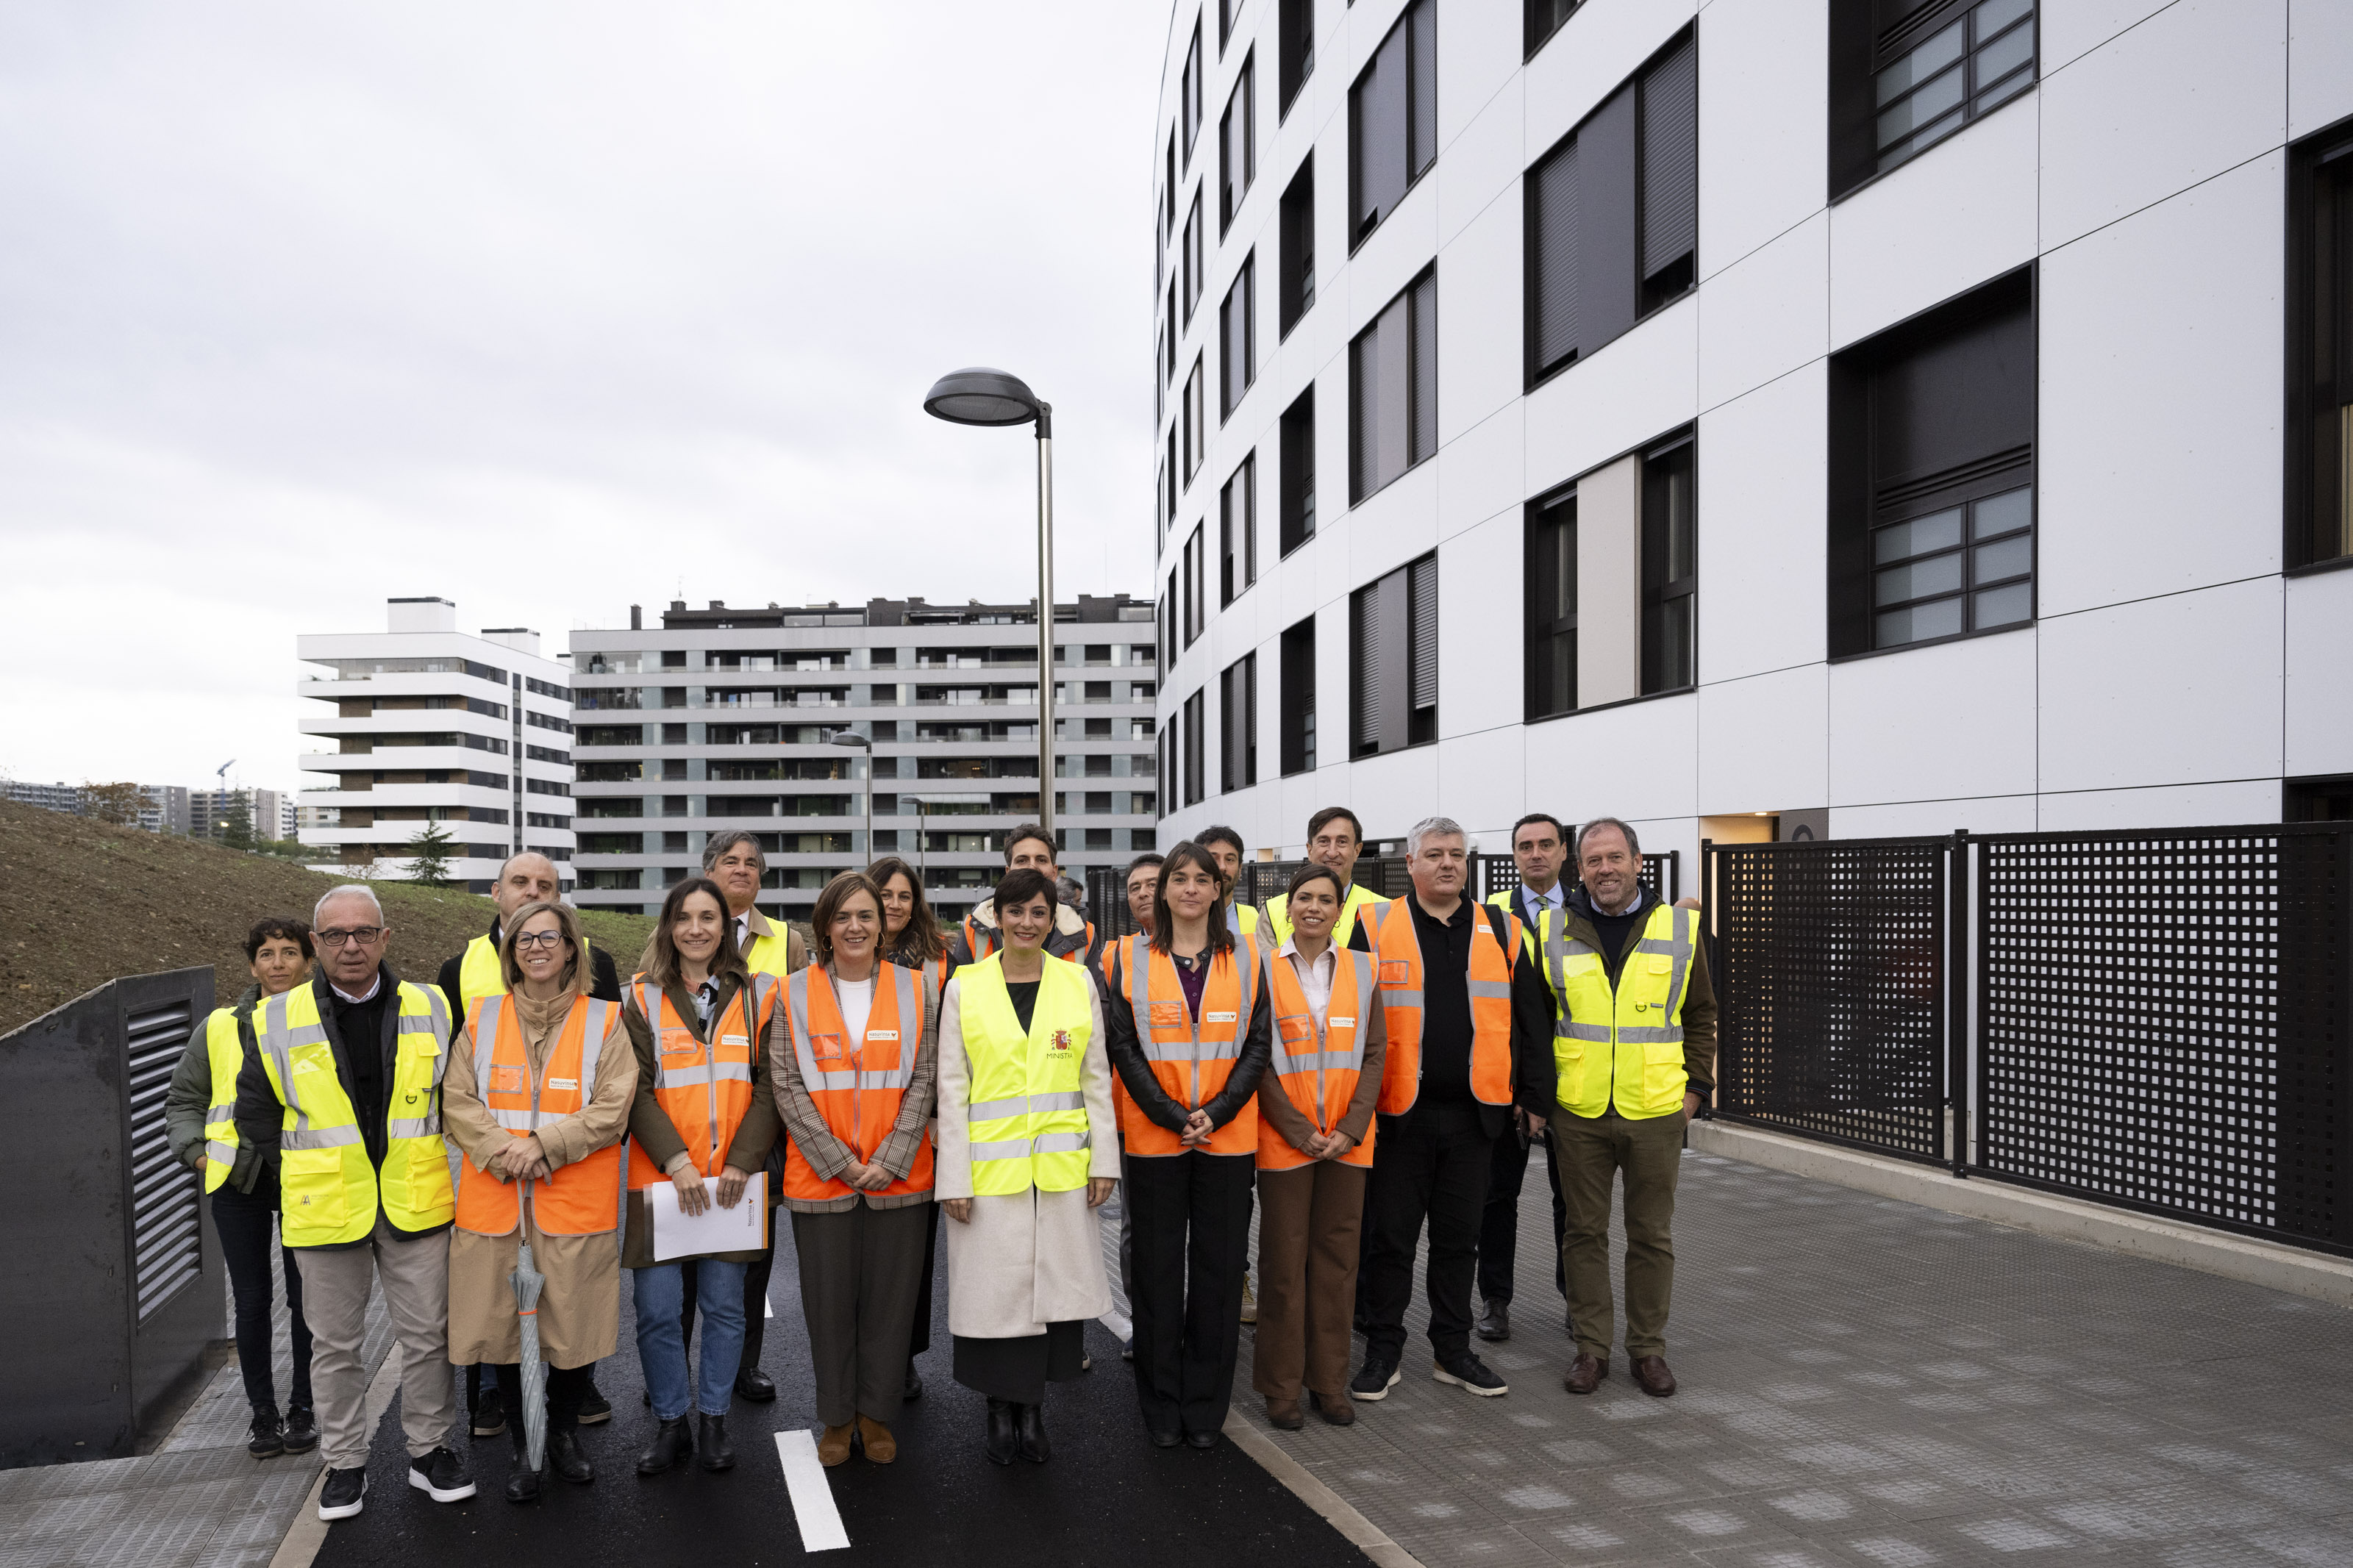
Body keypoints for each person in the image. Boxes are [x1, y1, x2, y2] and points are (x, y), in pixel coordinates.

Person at [238, 885, 474, 1521]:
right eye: (336, 934)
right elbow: (255, 1114)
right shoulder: (274, 1018)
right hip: (326, 1207)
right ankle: (344, 1464)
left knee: (427, 1336)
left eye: (364, 932)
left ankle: (429, 1452)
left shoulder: (431, 1005)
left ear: (385, 938)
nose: (351, 945)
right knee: (334, 1346)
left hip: (414, 1200)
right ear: (316, 945)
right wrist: (309, 1171)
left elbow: (455, 1098)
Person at [1351, 818, 1555, 1405]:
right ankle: (1383, 1349)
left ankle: (1453, 1349)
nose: (1447, 864)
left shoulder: (1503, 928)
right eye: (1434, 854)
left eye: (1457, 855)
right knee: (1389, 1241)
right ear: (1410, 863)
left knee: (1458, 1241)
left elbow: (1530, 1020)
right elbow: (1352, 1018)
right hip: (1398, 1116)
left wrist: (1536, 1099)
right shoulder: (1375, 925)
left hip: (1476, 1117)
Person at [443, 901, 634, 1502]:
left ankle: (562, 1433)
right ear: (510, 951)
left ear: (572, 949)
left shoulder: (606, 1019)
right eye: (524, 938)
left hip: (572, 1198)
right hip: (497, 1199)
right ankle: (526, 1443)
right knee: (503, 1328)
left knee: (573, 1326)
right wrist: (508, 1151)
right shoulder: (482, 1016)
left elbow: (612, 1106)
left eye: (550, 937)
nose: (536, 947)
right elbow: (457, 1098)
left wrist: (544, 1145)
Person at [935, 867, 1119, 1466]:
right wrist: (953, 1178)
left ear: (1053, 919)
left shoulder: (1077, 982)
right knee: (997, 1302)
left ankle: (1032, 1410)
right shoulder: (965, 986)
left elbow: (1096, 1079)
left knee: (1048, 1302)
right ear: (995, 917)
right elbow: (952, 1090)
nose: (1027, 922)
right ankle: (998, 1408)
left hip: (1061, 1170)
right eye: (1015, 911)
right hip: (990, 1177)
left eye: (1039, 912)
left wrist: (1105, 1162)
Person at [1104, 842, 1272, 1450]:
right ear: (1164, 889)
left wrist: (1215, 1112)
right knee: (1155, 1274)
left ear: (1219, 889)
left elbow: (1259, 1043)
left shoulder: (1251, 956)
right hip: (1155, 1138)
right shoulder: (1125, 957)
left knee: (1219, 1273)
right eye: (1181, 878)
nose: (1192, 888)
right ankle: (1160, 1403)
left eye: (1205, 878)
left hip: (1227, 1140)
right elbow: (1122, 1047)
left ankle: (1205, 1407)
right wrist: (1176, 1114)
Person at [771, 873, 937, 1467]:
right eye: (843, 916)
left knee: (892, 1306)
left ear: (883, 924)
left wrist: (889, 1156)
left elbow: (926, 1077)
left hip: (901, 1175)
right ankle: (837, 1418)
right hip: (823, 1178)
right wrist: (841, 1160)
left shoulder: (920, 989)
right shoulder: (791, 990)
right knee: (829, 1304)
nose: (857, 926)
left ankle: (876, 1414)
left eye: (867, 914)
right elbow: (786, 1084)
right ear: (824, 926)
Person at [1552, 817, 1716, 1400]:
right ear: (1579, 868)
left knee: (1651, 1235)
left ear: (1639, 860)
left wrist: (1694, 1093)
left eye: (1615, 857)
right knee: (1583, 1233)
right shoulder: (1554, 928)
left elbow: (1700, 1015)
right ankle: (1591, 1349)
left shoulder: (1680, 928)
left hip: (1655, 1111)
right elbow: (1539, 1019)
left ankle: (1648, 1350)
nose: (1605, 869)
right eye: (1593, 860)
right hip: (1581, 1111)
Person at [621, 876, 781, 1476]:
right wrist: (677, 1161)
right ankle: (672, 1422)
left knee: (726, 1307)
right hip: (663, 1183)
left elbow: (770, 1083)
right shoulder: (638, 997)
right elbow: (632, 1089)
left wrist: (742, 1158)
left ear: (725, 927)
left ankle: (713, 1418)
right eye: (684, 917)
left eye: (708, 917)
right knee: (659, 1311)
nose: (696, 928)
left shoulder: (760, 993)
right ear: (668, 925)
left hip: (733, 1183)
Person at [165, 915, 319, 1460]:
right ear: (252, 964)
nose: (279, 963)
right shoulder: (218, 1026)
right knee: (252, 1301)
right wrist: (198, 1154)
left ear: (308, 960)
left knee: (309, 1301)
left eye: (290, 952)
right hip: (236, 1177)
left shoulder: (325, 1018)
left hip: (308, 1175)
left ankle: (305, 1407)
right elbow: (184, 1100)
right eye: (268, 954)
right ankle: (263, 1415)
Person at [1252, 865, 1385, 1430]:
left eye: (1325, 899)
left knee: (1337, 1267)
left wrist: (1351, 1127)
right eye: (1303, 897)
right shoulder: (1259, 967)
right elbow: (1253, 1053)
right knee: (1284, 1266)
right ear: (1288, 907)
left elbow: (1377, 1053)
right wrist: (1296, 1127)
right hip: (1286, 1142)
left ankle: (1329, 1383)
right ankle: (1281, 1388)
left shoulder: (1363, 966)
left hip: (1347, 1144)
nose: (1313, 907)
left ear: (1340, 909)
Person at [692, 828, 808, 1404]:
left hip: (761, 1120)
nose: (741, 869)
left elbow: (806, 1023)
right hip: (690, 1127)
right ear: (708, 869)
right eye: (729, 860)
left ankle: (744, 1366)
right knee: (688, 1257)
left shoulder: (787, 941)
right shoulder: (676, 929)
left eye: (751, 863)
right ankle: (683, 1371)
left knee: (752, 1253)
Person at [1475, 812, 1574, 1344]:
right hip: (1508, 1083)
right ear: (1513, 856)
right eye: (1524, 846)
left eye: (1545, 844)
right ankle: (1495, 1300)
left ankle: (1575, 1298)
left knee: (1573, 1200)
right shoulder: (1490, 918)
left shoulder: (1584, 912)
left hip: (1577, 1081)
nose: (1535, 854)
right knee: (1496, 1197)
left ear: (1564, 852)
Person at [868, 854, 953, 1403]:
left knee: (913, 1252)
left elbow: (953, 1042)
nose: (894, 904)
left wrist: (941, 1116)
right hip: (857, 1120)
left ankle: (902, 1357)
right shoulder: (844, 954)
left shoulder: (941, 962)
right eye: (885, 894)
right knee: (867, 1250)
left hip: (922, 1124)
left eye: (903, 895)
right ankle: (869, 1351)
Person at [1107, 851, 1163, 1364]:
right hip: (1132, 1116)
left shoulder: (1220, 952)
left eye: (1153, 883)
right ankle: (1143, 1325)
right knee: (1135, 1227)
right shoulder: (1113, 955)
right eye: (1135, 887)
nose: (1143, 893)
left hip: (1203, 1118)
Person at [950, 823, 1099, 967]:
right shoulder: (975, 927)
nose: (1032, 867)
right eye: (1022, 860)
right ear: (1008, 872)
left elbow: (1094, 992)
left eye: (1041, 860)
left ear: (1054, 872)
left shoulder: (1084, 931)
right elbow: (959, 987)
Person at [1259, 808, 1388, 949]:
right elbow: (1267, 969)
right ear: (1310, 850)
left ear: (1357, 851)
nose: (1332, 852)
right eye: (1324, 841)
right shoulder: (1272, 911)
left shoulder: (1384, 911)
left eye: (1342, 842)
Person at [1196, 825, 1260, 939]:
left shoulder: (1256, 919)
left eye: (1229, 859)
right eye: (1213, 859)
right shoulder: (1179, 918)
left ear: (1240, 869)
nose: (1222, 867)